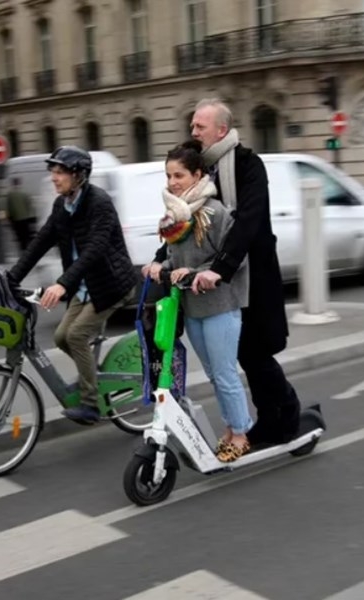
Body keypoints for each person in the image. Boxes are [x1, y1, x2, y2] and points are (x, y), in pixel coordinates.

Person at [145, 98, 304, 447]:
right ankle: (259, 422)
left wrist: (221, 269)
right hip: (213, 280)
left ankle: (287, 413)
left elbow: (248, 221)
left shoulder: (247, 165)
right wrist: (160, 259)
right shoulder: (199, 169)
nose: (194, 131)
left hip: (251, 274)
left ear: (221, 130)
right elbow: (181, 226)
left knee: (256, 354)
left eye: (200, 126)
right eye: (193, 126)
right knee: (237, 358)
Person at [7, 146, 137, 424]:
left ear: (79, 175)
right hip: (84, 285)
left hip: (110, 284)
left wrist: (62, 284)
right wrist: (10, 278)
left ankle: (91, 406)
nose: (54, 177)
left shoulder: (98, 202)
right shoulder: (61, 205)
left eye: (61, 172)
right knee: (60, 337)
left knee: (76, 335)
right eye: (53, 171)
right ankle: (94, 377)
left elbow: (95, 248)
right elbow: (40, 242)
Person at [152, 140, 251, 461]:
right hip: (193, 308)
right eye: (168, 175)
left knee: (224, 373)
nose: (172, 182)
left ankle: (239, 433)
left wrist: (194, 271)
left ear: (197, 175)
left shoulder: (215, 212)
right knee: (212, 374)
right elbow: (175, 257)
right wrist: (159, 267)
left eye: (179, 175)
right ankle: (231, 426)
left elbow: (232, 260)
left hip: (220, 306)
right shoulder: (174, 217)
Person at [6, 177, 36, 251]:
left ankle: (22, 250)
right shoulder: (25, 193)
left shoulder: (10, 195)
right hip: (25, 218)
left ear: (12, 184)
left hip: (16, 219)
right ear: (20, 183)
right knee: (26, 236)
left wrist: (9, 219)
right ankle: (27, 250)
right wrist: (32, 218)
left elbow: (9, 208)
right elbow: (30, 206)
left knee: (19, 237)